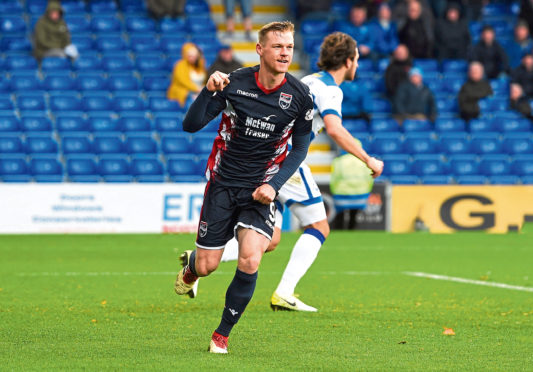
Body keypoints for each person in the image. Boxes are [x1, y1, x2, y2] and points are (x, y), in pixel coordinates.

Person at [173, 21, 314, 354]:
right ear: (260, 49)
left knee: (250, 260)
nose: (285, 53)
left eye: (290, 47)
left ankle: (221, 335)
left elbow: (301, 147)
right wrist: (208, 90)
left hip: (260, 189)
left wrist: (275, 184)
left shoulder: (299, 97)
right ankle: (193, 266)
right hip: (222, 185)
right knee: (208, 265)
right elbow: (190, 126)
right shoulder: (233, 83)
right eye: (278, 46)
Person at [220, 32, 384, 312]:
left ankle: (201, 258)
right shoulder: (331, 89)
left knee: (270, 239)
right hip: (287, 160)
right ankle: (284, 292)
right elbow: (334, 128)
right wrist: (367, 159)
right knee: (319, 226)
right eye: (356, 59)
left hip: (264, 159)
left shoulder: (307, 80)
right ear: (348, 61)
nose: (357, 65)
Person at [167, 43, 206, 107]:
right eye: (189, 56)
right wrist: (197, 89)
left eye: (194, 56)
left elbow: (204, 80)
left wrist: (203, 88)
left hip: (198, 91)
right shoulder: (180, 65)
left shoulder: (200, 65)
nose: (192, 58)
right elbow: (183, 81)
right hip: (184, 92)